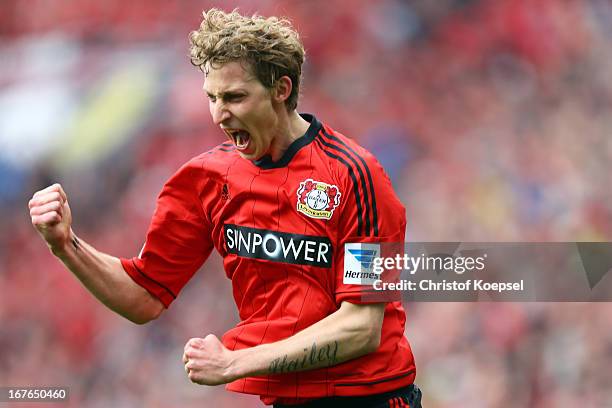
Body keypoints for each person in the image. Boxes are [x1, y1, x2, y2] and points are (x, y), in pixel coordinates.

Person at [28, 8, 421, 408]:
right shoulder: (206, 180)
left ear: (281, 89)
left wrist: (236, 362)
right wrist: (66, 245)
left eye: (234, 97)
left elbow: (363, 325)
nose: (218, 114)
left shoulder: (356, 176)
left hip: (373, 399)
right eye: (212, 97)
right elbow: (143, 296)